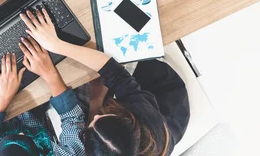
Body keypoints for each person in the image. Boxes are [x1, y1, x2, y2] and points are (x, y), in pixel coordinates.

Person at [20, 9, 190, 156]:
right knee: (111, 43)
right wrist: (56, 45)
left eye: (94, 121)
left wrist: (96, 99)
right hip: (161, 89)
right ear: (128, 121)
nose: (97, 115)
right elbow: (114, 72)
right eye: (102, 116)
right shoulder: (146, 117)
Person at [0, 41, 86, 156]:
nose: (21, 132)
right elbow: (73, 119)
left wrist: (3, 98)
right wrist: (50, 73)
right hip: (28, 111)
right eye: (25, 137)